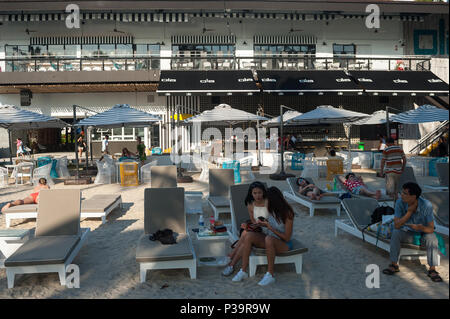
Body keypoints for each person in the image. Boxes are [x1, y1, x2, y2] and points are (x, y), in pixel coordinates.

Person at [229, 186, 295, 286]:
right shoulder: (270, 210)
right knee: (249, 235)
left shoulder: (288, 213)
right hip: (270, 239)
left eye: (268, 200)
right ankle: (243, 271)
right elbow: (263, 223)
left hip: (284, 244)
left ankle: (270, 275)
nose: (266, 202)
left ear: (275, 201)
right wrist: (258, 224)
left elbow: (287, 238)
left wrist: (270, 227)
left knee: (268, 239)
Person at [382, 182, 442, 282]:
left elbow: (431, 228)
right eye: (402, 192)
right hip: (406, 232)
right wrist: (409, 212)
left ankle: (432, 269)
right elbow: (397, 225)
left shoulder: (426, 205)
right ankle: (394, 264)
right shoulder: (400, 202)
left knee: (432, 238)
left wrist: (421, 228)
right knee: (396, 233)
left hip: (422, 233)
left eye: (405, 193)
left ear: (414, 196)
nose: (402, 195)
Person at [222, 181, 269, 277]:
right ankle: (231, 264)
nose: (257, 195)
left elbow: (272, 221)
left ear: (263, 192)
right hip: (258, 230)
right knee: (246, 233)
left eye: (259, 192)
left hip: (268, 231)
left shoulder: (268, 202)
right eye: (255, 193)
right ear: (251, 194)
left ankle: (231, 259)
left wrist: (255, 225)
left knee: (246, 235)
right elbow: (254, 221)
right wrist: (248, 225)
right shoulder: (250, 204)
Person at [380, 137, 406, 202]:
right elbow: (404, 159)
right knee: (396, 189)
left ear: (387, 143)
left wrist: (381, 171)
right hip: (398, 171)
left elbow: (382, 162)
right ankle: (396, 202)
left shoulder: (386, 150)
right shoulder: (400, 149)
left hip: (390, 172)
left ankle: (392, 203)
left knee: (390, 190)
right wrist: (402, 168)